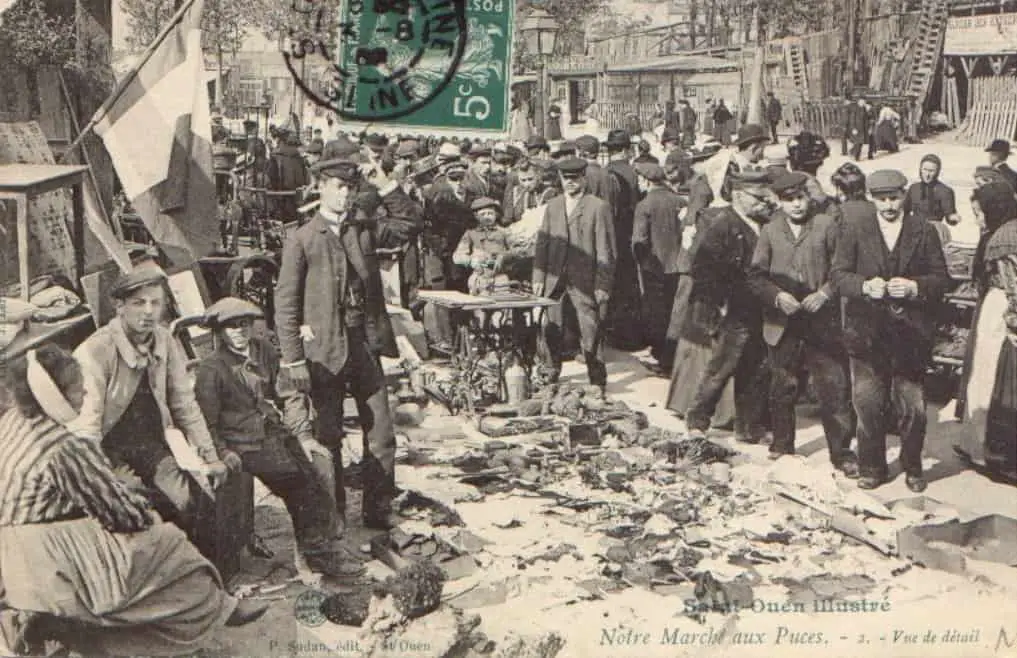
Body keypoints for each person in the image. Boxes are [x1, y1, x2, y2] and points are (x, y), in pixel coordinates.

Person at [0, 345, 267, 657]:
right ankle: (217, 610)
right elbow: (119, 514)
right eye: (77, 388)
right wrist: (137, 502)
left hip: (13, 547)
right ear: (55, 396)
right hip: (46, 555)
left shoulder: (12, 422)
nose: (86, 392)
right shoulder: (62, 447)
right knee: (166, 542)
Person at [274, 140, 402, 530]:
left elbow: (408, 222)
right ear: (321, 188)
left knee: (381, 431)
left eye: (350, 187)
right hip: (325, 351)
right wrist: (293, 358)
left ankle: (378, 511)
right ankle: (333, 515)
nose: (345, 194)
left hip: (364, 344)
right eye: (337, 186)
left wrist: (386, 185)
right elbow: (286, 305)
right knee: (328, 436)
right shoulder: (302, 239)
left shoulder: (363, 230)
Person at [193, 298, 362, 577]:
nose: (240, 331)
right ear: (219, 331)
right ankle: (315, 553)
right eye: (231, 326)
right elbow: (205, 423)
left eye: (245, 324)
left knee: (319, 462)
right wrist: (221, 452)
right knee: (299, 483)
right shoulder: (212, 369)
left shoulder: (264, 352)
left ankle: (316, 551)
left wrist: (304, 435)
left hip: (271, 436)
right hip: (239, 445)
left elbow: (290, 395)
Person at [70, 259, 228, 533]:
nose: (149, 311)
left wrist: (210, 456)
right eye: (138, 303)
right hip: (107, 448)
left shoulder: (164, 339)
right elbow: (87, 426)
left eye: (156, 303)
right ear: (120, 307)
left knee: (187, 499)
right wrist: (97, 480)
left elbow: (184, 403)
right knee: (139, 506)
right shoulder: (95, 351)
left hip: (150, 442)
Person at [831, 170, 950, 492]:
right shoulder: (856, 229)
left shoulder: (923, 230)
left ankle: (913, 467)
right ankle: (872, 468)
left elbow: (941, 279)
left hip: (910, 335)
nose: (888, 205)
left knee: (913, 407)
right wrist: (864, 286)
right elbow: (839, 276)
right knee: (868, 404)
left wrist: (914, 287)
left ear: (904, 196)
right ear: (870, 198)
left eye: (894, 197)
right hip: (866, 332)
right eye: (881, 198)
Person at [748, 171, 857, 474]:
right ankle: (783, 445)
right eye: (789, 200)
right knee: (783, 385)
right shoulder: (770, 231)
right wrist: (776, 296)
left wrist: (825, 293)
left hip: (821, 324)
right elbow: (756, 276)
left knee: (833, 389)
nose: (796, 205)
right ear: (779, 202)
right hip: (783, 323)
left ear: (809, 197)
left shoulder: (825, 226)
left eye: (801, 198)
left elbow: (843, 270)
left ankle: (842, 453)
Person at [683, 170, 774, 443]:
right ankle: (697, 420)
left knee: (756, 368)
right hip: (733, 309)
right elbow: (701, 268)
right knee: (722, 367)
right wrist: (718, 303)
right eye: (757, 198)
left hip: (758, 309)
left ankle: (748, 427)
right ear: (738, 195)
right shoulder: (723, 225)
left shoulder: (762, 222)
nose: (763, 203)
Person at [533, 158, 617, 390]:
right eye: (565, 179)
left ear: (583, 179)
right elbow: (543, 243)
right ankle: (551, 372)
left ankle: (597, 380)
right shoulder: (554, 205)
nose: (570, 183)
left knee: (590, 330)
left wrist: (602, 284)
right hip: (554, 278)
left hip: (585, 281)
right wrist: (539, 277)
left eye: (574, 179)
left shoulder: (597, 206)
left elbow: (606, 250)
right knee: (552, 327)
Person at [955, 182, 1017, 483]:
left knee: (990, 378)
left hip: (1000, 312)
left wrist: (1013, 322)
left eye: (980, 214)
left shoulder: (1005, 237)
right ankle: (978, 445)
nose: (978, 220)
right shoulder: (1004, 229)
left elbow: (1014, 284)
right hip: (995, 306)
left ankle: (989, 450)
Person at [632, 162, 684, 372]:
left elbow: (640, 240)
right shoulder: (679, 200)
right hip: (679, 265)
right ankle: (672, 357)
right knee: (675, 312)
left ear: (646, 181)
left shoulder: (644, 205)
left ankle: (661, 357)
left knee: (657, 313)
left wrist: (642, 264)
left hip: (654, 268)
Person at [604, 128, 644, 351]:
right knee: (628, 286)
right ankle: (628, 335)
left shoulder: (604, 172)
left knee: (613, 285)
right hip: (628, 233)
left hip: (610, 234)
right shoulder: (633, 172)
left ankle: (612, 331)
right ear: (627, 150)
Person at [452, 197, 511, 295]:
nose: (487, 217)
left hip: (500, 278)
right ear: (476, 216)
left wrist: (503, 257)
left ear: (496, 215)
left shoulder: (504, 232)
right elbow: (457, 256)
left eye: (490, 213)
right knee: (479, 306)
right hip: (479, 278)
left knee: (501, 307)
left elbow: (516, 251)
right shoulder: (470, 233)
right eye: (482, 214)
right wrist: (471, 261)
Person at [903, 154, 959, 248]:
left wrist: (953, 218)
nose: (927, 175)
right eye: (925, 170)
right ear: (920, 169)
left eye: (931, 171)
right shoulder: (914, 188)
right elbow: (905, 212)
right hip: (915, 230)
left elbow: (950, 217)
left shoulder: (945, 191)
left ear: (938, 172)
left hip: (935, 231)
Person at [268, 130, 310, 224]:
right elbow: (305, 177)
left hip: (281, 193)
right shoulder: (298, 157)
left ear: (280, 141)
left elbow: (271, 176)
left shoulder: (276, 155)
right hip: (297, 193)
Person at [845, 97, 871, 161]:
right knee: (857, 143)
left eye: (864, 102)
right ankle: (856, 156)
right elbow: (852, 119)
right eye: (862, 102)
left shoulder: (864, 108)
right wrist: (853, 128)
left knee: (861, 143)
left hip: (863, 128)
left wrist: (868, 128)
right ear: (859, 102)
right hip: (857, 128)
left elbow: (866, 118)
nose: (863, 103)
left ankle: (854, 154)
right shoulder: (855, 109)